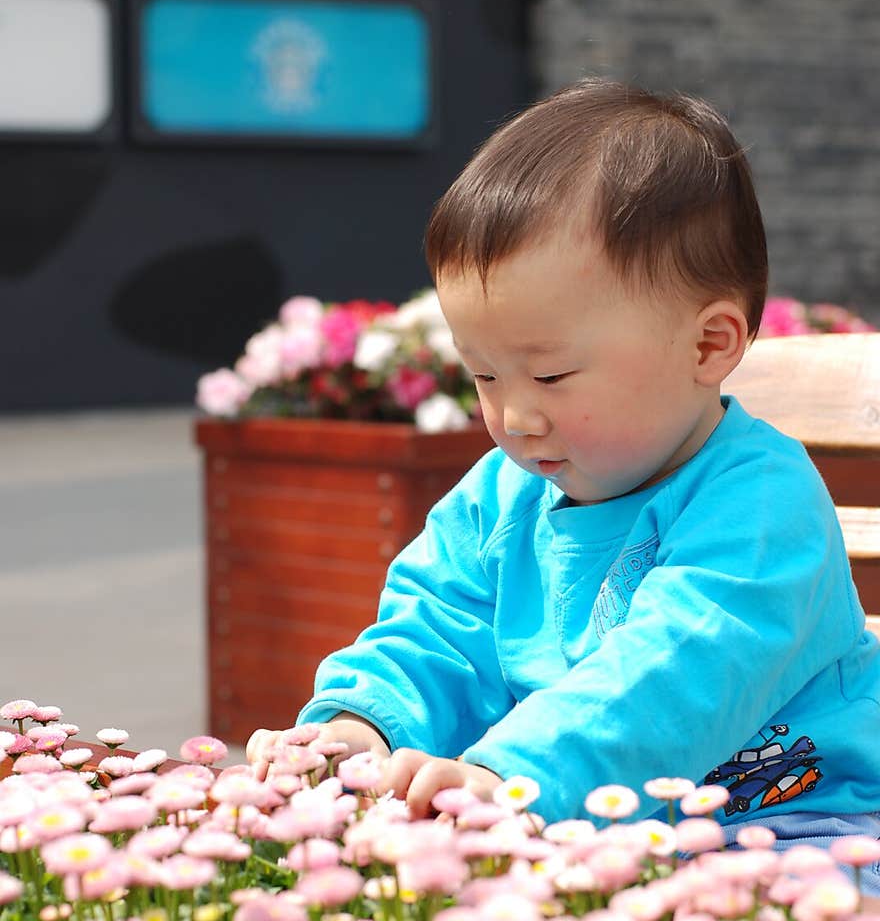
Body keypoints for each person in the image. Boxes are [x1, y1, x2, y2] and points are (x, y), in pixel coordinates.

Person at [278, 76, 880, 878]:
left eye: (552, 376)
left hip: (800, 819)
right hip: (566, 814)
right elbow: (435, 629)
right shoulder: (501, 494)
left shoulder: (763, 504)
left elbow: (673, 670)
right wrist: (363, 727)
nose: (515, 418)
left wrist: (511, 777)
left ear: (708, 345)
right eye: (485, 377)